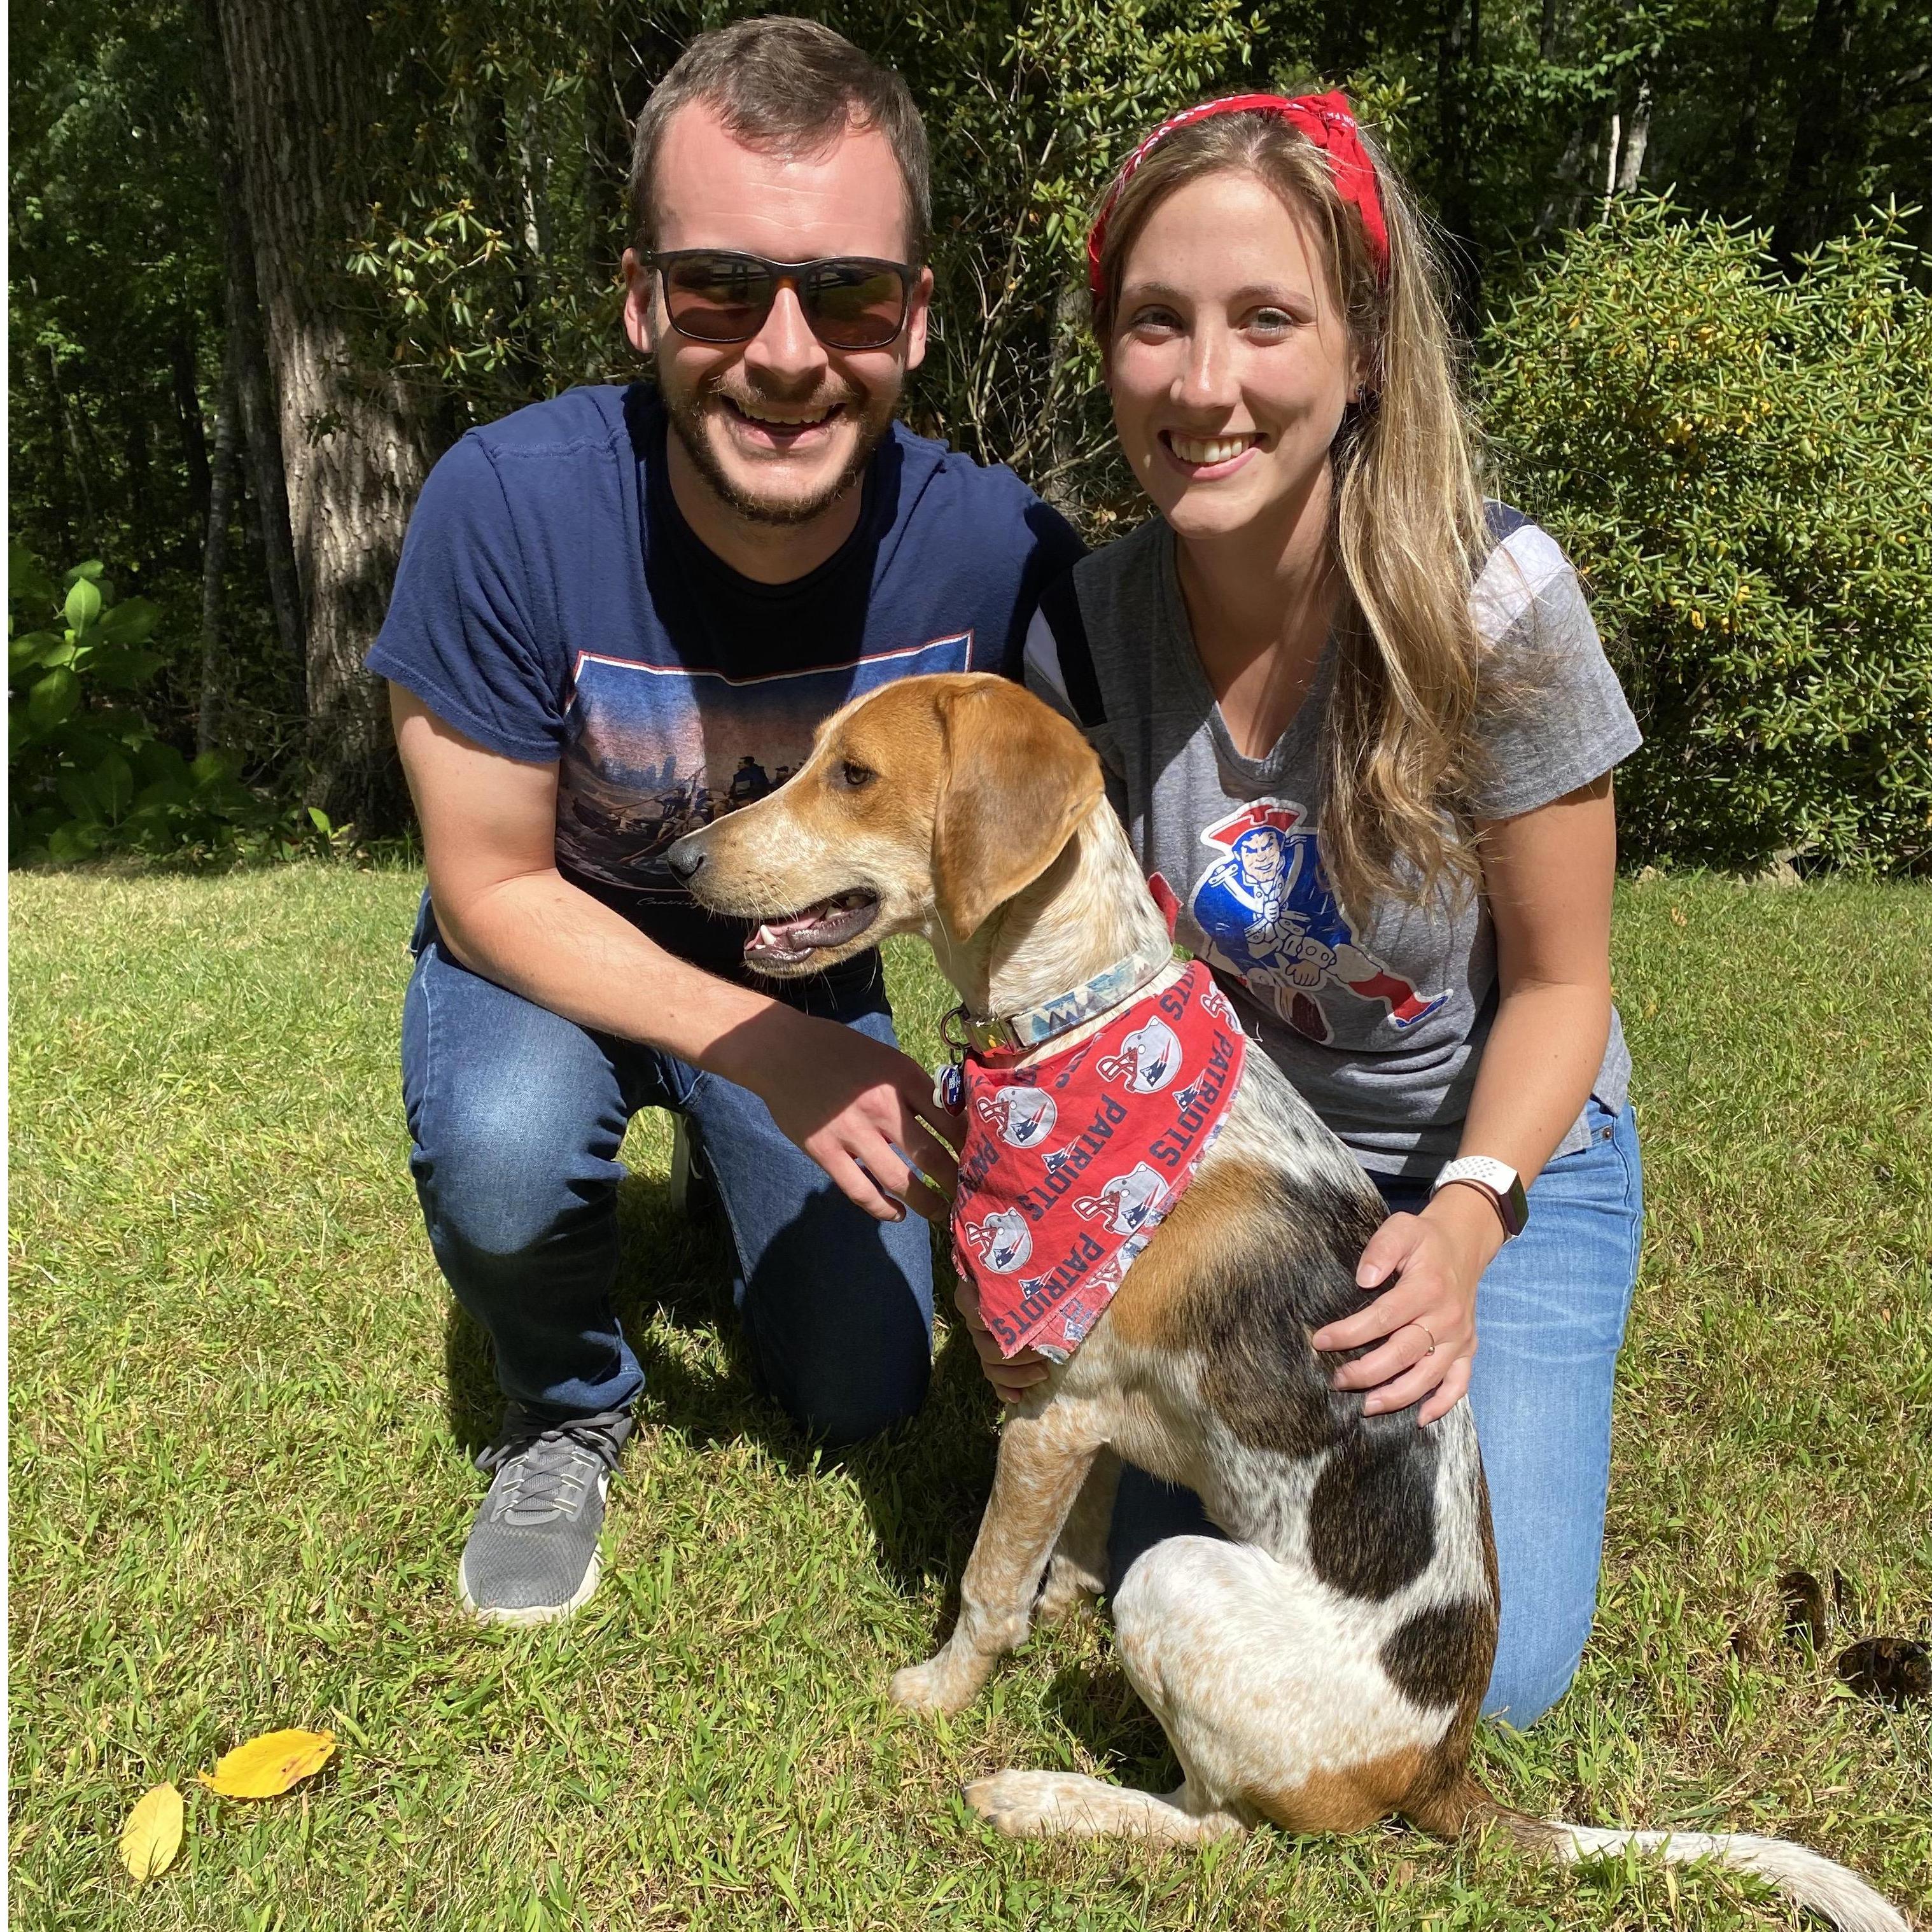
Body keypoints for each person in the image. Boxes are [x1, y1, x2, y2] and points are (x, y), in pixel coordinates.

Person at [369, 17, 1082, 1627]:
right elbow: (488, 885)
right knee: (502, 1148)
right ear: (642, 300)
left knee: (867, 1394)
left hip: (806, 957)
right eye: (720, 288)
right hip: (545, 955)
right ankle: (565, 1406)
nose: (784, 351)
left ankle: (721, 1168)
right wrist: (773, 1055)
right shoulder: (507, 504)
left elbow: (1132, 802)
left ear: (915, 315)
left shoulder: (999, 553)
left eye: (847, 293)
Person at [984, 93, 1644, 1726]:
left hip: (1498, 1159)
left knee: (1496, 1677)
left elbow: (1563, 989)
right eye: (1158, 322)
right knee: (1200, 1577)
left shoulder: (1495, 605)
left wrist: (1468, 1223)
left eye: (1267, 319)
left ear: (1363, 354)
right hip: (1244, 1172)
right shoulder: (1083, 633)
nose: (1205, 383)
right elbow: (1076, 970)